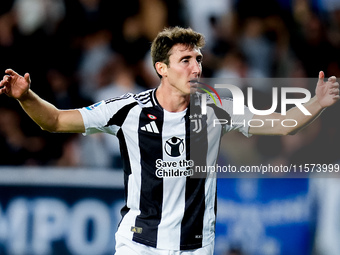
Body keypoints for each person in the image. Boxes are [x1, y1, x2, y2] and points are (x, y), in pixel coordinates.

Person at [0, 27, 339, 255]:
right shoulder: (127, 110)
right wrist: (26, 97)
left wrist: (317, 104)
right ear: (162, 68)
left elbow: (280, 124)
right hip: (139, 245)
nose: (196, 69)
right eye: (186, 60)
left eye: (199, 60)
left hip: (195, 247)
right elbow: (57, 120)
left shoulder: (215, 110)